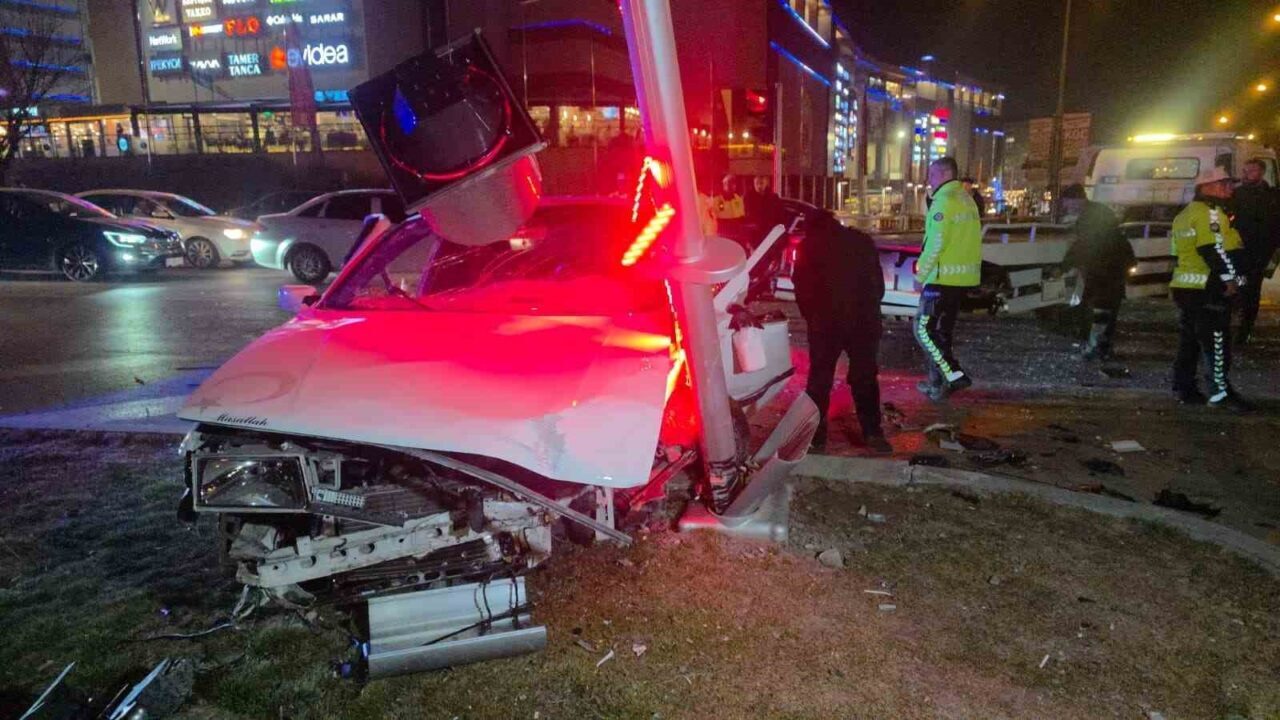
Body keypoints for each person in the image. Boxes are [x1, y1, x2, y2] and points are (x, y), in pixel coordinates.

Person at [794, 209, 892, 454]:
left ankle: (816, 437)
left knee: (820, 378)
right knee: (865, 377)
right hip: (864, 321)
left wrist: (813, 317)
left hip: (826, 323)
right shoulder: (862, 241)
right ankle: (873, 433)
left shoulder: (809, 246)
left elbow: (802, 288)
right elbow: (878, 284)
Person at [1168, 166, 1252, 409]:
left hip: (1186, 286)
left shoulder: (1185, 214)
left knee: (1190, 341)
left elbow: (1177, 252)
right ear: (1207, 187)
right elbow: (1212, 249)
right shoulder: (1209, 214)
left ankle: (1184, 388)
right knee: (1217, 341)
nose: (1230, 188)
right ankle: (1219, 393)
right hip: (1208, 287)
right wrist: (1229, 279)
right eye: (1224, 184)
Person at [914, 157, 982, 401]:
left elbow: (935, 243)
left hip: (941, 279)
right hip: (960, 279)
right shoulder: (966, 199)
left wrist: (921, 274)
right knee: (940, 334)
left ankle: (953, 375)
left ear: (944, 174)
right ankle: (937, 384)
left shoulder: (943, 202)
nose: (929, 180)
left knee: (923, 330)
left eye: (932, 175)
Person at [1062, 184, 1135, 360]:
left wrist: (1064, 265)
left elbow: (1085, 245)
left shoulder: (1089, 218)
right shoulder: (1097, 212)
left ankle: (1096, 347)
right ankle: (1103, 347)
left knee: (1098, 309)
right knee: (1107, 309)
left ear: (1077, 199)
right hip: (1113, 267)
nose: (1066, 207)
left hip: (1106, 269)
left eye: (1067, 203)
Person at [1230, 158, 1278, 345]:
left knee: (1252, 289)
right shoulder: (1237, 193)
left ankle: (1245, 329)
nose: (1247, 174)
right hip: (1239, 252)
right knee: (1239, 285)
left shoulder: (1271, 195)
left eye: (1252, 170)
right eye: (1245, 170)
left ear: (1262, 172)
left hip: (1260, 254)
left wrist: (1272, 253)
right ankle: (1238, 321)